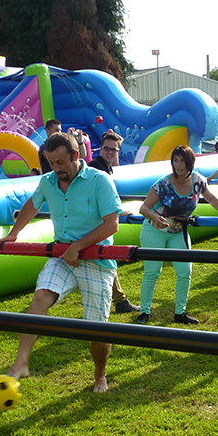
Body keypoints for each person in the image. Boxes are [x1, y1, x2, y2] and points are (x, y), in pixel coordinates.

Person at [0, 131, 123, 393]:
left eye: (61, 163)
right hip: (63, 256)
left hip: (96, 260)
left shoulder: (100, 181)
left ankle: (100, 375)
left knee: (96, 330)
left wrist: (77, 247)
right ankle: (20, 363)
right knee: (41, 297)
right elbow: (32, 204)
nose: (56, 169)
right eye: (51, 163)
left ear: (76, 156)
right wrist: (13, 233)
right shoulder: (48, 181)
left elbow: (112, 224)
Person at [135, 145, 218, 325]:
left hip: (179, 232)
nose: (179, 165)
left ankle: (180, 313)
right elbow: (144, 208)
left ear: (190, 163)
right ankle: (144, 312)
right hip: (155, 231)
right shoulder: (163, 183)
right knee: (152, 272)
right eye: (175, 160)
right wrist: (155, 217)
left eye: (182, 161)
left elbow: (210, 197)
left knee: (185, 272)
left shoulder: (198, 180)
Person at [89, 130, 138, 314]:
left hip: (97, 220)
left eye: (114, 150)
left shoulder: (103, 165)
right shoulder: (97, 167)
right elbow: (99, 196)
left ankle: (120, 300)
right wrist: (118, 211)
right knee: (105, 259)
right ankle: (119, 300)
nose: (110, 152)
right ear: (100, 149)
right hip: (95, 222)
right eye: (107, 149)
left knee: (105, 259)